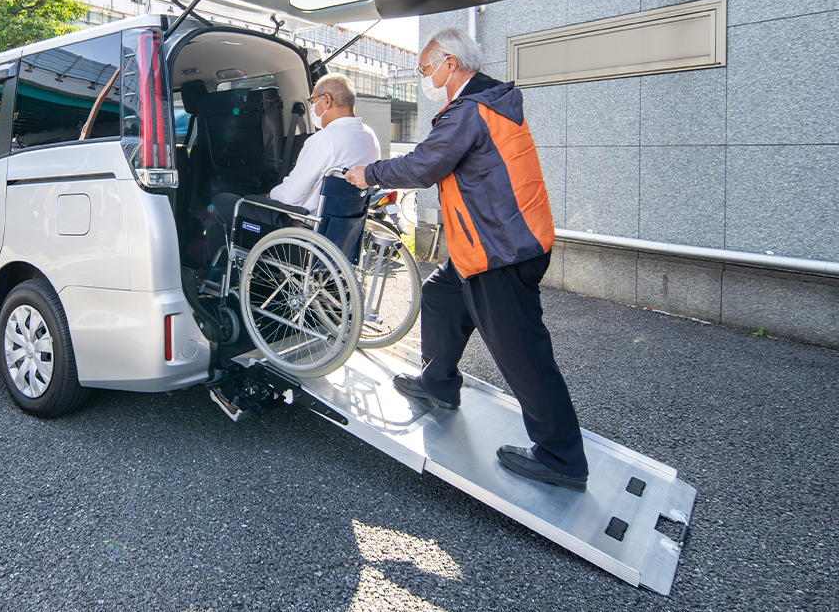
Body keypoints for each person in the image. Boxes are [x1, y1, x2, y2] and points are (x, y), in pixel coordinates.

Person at [344, 27, 589, 492]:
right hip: (493, 242)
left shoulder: (471, 110)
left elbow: (424, 165)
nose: (424, 78)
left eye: (425, 69)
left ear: (449, 64)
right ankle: (439, 381)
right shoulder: (488, 103)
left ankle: (562, 458)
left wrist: (367, 174)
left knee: (523, 353)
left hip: (500, 251)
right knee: (440, 297)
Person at [200, 73, 379, 268]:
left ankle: (215, 273)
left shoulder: (324, 140)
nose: (312, 107)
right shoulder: (370, 138)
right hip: (342, 236)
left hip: (303, 233)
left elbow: (288, 198)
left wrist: (269, 195)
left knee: (222, 202)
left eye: (312, 101)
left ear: (327, 100)